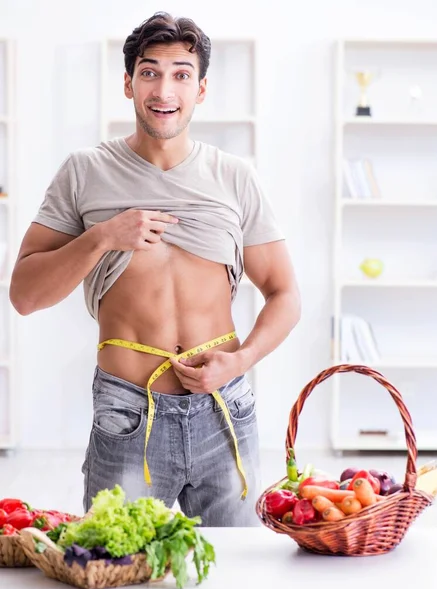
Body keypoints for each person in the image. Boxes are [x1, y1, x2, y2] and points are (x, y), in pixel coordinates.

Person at [9, 11, 301, 527]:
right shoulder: (84, 172)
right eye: (150, 72)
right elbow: (25, 295)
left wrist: (241, 361)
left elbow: (284, 293)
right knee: (116, 568)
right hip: (127, 412)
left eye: (181, 73)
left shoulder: (234, 176)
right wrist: (103, 237)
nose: (164, 88)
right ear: (128, 83)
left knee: (236, 573)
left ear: (201, 89)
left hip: (223, 409)